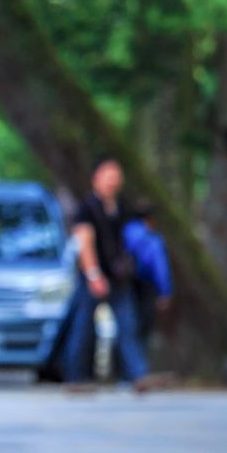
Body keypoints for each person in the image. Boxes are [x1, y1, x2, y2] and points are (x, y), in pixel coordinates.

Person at [62, 157, 151, 388]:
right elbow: (84, 242)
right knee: (82, 327)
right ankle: (75, 376)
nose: (112, 180)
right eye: (107, 174)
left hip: (118, 277)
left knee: (127, 325)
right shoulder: (87, 208)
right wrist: (93, 274)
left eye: (116, 175)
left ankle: (138, 375)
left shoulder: (121, 208)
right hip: (93, 276)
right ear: (96, 178)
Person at [123, 201, 173, 348]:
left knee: (127, 324)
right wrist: (165, 292)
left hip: (123, 284)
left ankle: (125, 362)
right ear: (150, 219)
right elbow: (160, 267)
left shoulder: (124, 232)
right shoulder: (152, 239)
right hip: (145, 286)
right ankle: (137, 365)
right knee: (144, 325)